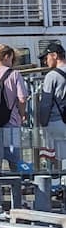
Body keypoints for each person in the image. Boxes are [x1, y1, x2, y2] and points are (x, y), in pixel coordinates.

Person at [37, 40, 66, 169]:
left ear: (54, 55)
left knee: (60, 157)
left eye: (46, 57)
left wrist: (42, 124)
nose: (45, 62)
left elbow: (46, 103)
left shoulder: (52, 76)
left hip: (57, 121)